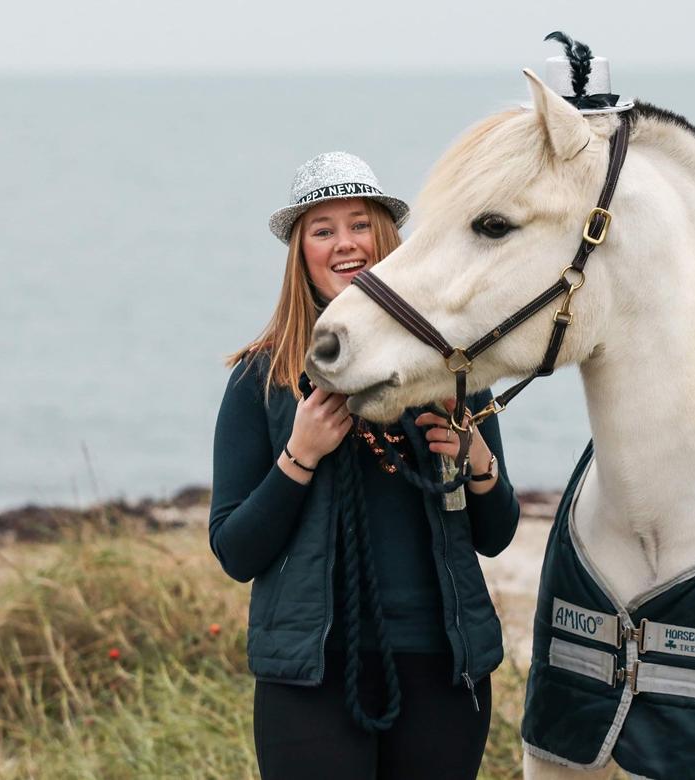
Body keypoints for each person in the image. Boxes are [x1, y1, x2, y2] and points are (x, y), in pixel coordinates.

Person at [208, 152, 520, 780]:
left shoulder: (452, 370)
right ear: (301, 253)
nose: (344, 244)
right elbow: (236, 552)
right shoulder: (263, 379)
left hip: (443, 667)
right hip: (310, 677)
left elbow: (496, 534)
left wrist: (478, 458)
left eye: (359, 224)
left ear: (389, 239)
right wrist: (301, 456)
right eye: (322, 231)